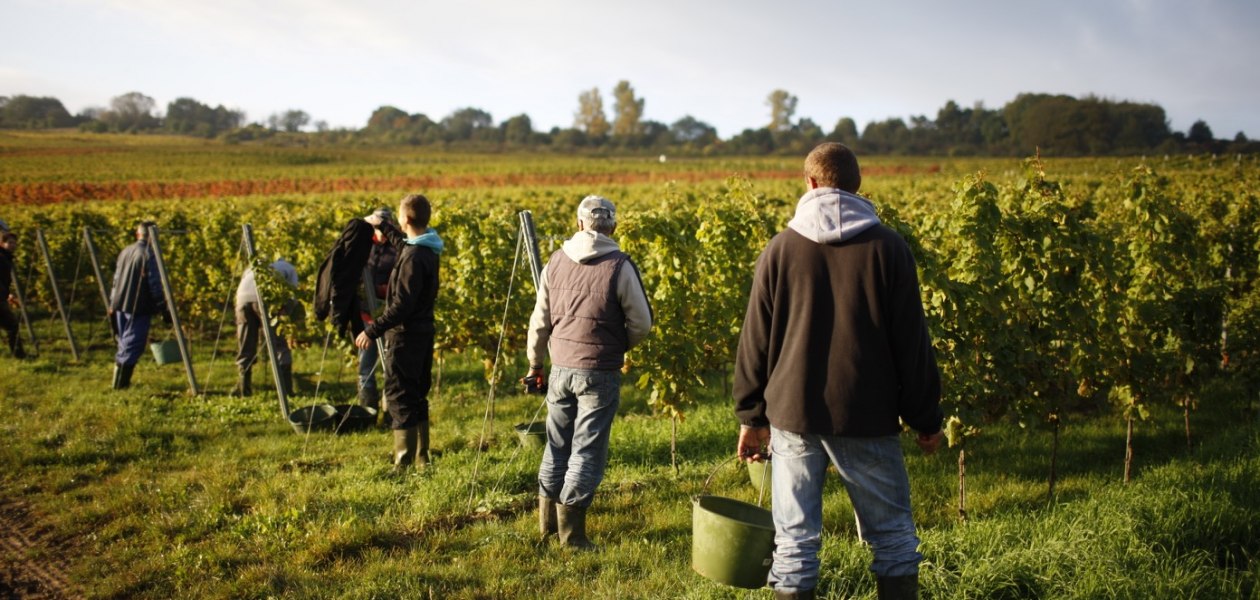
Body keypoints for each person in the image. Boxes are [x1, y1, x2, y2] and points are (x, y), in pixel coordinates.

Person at [733, 143, 943, 600]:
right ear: (858, 185)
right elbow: (913, 344)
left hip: (793, 412)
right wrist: (926, 419)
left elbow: (755, 340)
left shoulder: (780, 249)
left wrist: (752, 418)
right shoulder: (888, 248)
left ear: (809, 183)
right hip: (867, 412)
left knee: (794, 541)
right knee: (891, 536)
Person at [526, 195, 653, 550]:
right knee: (587, 449)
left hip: (560, 368)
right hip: (599, 371)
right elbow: (641, 322)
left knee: (557, 444)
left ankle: (546, 526)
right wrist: (619, 345)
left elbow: (540, 321)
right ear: (613, 226)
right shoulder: (620, 265)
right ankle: (572, 536)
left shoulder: (555, 261)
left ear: (580, 224)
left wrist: (536, 363)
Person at [354, 194, 443, 470]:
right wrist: (383, 225)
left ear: (405, 219)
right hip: (422, 333)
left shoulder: (414, 258)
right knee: (417, 393)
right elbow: (403, 244)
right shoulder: (426, 246)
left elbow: (402, 305)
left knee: (400, 395)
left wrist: (373, 330)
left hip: (405, 336)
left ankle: (403, 463)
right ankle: (422, 459)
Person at [108, 222, 168, 390]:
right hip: (138, 304)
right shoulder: (149, 254)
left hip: (120, 302)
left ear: (137, 234)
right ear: (155, 237)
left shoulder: (125, 251)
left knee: (124, 342)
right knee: (133, 343)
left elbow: (116, 279)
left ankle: (118, 384)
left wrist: (112, 303)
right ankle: (121, 385)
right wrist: (162, 306)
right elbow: (155, 283)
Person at [234, 258, 299, 397]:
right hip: (264, 298)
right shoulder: (290, 268)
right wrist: (286, 314)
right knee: (279, 344)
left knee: (246, 343)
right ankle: (286, 391)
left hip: (242, 299)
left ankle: (244, 390)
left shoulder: (255, 265)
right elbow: (293, 294)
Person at [357, 207, 399, 410]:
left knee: (390, 363)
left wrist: (386, 289)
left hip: (388, 314)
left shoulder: (397, 248)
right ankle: (368, 407)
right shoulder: (365, 246)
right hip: (366, 313)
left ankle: (388, 408)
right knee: (366, 361)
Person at [1, 231, 27, 359]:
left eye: (14, 242)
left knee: (11, 326)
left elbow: (4, 280)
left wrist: (8, 294)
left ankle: (19, 355)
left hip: (2, 296)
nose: (13, 245)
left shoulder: (6, 257)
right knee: (12, 326)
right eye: (10, 242)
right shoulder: (1, 257)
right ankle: (19, 356)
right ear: (2, 243)